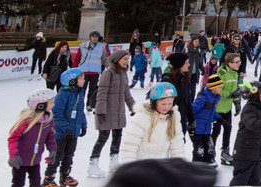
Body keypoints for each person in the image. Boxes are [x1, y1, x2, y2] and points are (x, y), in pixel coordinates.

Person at [88, 50, 136, 179]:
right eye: (124, 59)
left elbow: (127, 95)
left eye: (128, 59)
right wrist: (101, 111)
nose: (127, 62)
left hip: (118, 111)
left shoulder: (124, 74)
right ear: (117, 60)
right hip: (107, 111)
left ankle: (114, 161)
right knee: (103, 137)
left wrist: (134, 108)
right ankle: (93, 163)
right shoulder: (107, 73)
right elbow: (101, 94)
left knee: (117, 136)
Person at [120, 82, 184, 162]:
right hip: (141, 166)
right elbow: (129, 146)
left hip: (161, 167)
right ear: (154, 102)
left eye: (170, 104)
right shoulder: (142, 117)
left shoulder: (174, 117)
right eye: (163, 104)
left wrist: (179, 167)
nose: (167, 107)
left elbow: (177, 145)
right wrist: (129, 170)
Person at [45, 69, 87, 187]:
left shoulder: (79, 93)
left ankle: (65, 176)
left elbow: (80, 111)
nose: (84, 81)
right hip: (60, 133)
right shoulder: (62, 94)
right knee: (57, 156)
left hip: (73, 132)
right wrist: (65, 128)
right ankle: (48, 178)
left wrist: (83, 125)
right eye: (81, 79)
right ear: (72, 81)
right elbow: (57, 113)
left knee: (69, 155)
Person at [8, 89, 57, 187]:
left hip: (35, 160)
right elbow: (13, 138)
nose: (53, 105)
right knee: (18, 183)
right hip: (20, 160)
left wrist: (52, 149)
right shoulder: (26, 121)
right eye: (51, 103)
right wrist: (13, 155)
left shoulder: (48, 120)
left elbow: (50, 136)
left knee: (36, 183)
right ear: (41, 105)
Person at [211, 52, 242, 166]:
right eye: (236, 62)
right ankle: (210, 153)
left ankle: (225, 153)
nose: (239, 64)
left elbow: (235, 90)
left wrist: (236, 102)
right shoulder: (221, 72)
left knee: (228, 129)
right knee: (216, 131)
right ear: (229, 63)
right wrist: (229, 95)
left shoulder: (235, 73)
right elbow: (215, 89)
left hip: (227, 107)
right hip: (218, 107)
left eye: (239, 61)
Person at [191, 75, 225, 166]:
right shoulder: (203, 98)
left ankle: (208, 162)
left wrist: (219, 119)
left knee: (210, 148)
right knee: (199, 151)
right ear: (213, 87)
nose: (221, 88)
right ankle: (196, 167)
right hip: (196, 129)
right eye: (219, 87)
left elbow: (211, 112)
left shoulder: (214, 97)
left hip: (206, 129)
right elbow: (191, 110)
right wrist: (188, 123)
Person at [160, 52, 195, 137]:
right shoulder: (167, 81)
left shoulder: (184, 79)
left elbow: (187, 101)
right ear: (179, 64)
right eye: (186, 63)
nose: (189, 65)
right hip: (169, 122)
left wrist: (192, 120)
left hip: (181, 120)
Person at [77, 30, 110, 113]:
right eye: (93, 36)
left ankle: (89, 104)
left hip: (95, 71)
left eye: (96, 37)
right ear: (90, 37)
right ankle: (80, 104)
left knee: (92, 89)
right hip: (84, 71)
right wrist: (74, 69)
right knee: (82, 89)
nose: (94, 38)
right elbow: (77, 58)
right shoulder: (83, 45)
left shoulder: (102, 46)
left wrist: (109, 68)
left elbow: (105, 59)